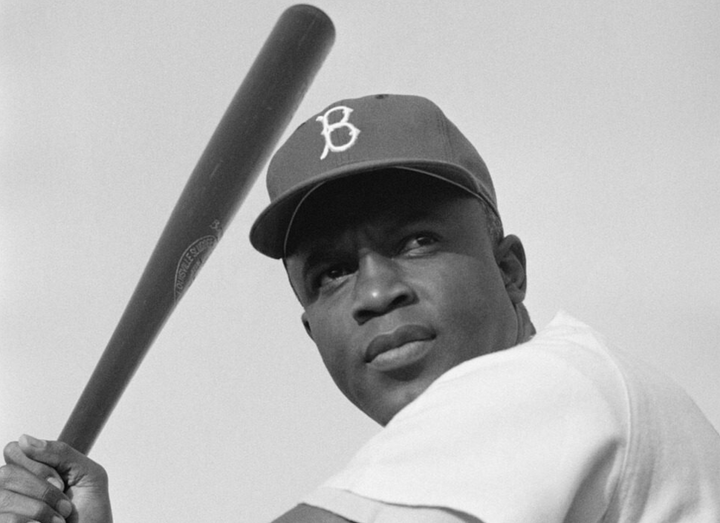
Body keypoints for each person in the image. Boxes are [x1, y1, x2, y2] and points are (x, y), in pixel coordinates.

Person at [2, 94, 719, 523]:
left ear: (510, 269)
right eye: (332, 273)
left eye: (415, 239)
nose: (377, 293)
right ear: (311, 330)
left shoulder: (553, 382)